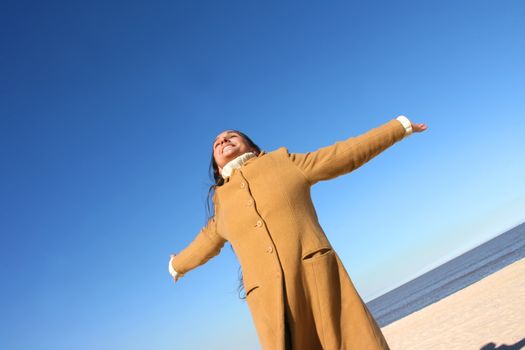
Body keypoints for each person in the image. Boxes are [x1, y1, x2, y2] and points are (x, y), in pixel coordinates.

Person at [168, 116, 428, 350]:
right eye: (216, 143)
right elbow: (204, 244)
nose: (223, 139)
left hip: (317, 279)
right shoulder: (221, 205)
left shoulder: (283, 162)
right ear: (215, 163)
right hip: (271, 303)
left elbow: (342, 155)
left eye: (231, 135)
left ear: (253, 148)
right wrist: (176, 265)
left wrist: (398, 128)